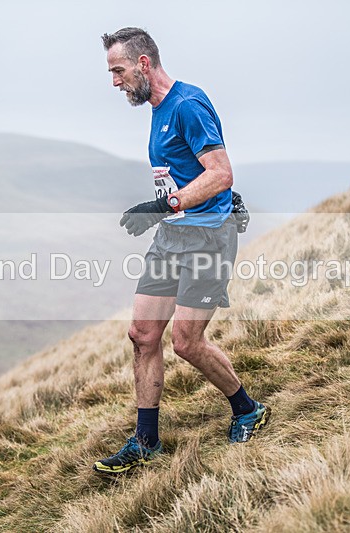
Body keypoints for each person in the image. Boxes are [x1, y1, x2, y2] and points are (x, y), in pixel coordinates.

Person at [93, 27, 269, 475]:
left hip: (208, 237)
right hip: (173, 237)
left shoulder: (187, 105)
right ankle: (146, 442)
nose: (114, 81)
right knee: (142, 335)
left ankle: (247, 408)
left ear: (144, 63)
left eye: (118, 71)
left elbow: (221, 172)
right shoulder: (156, 108)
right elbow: (190, 173)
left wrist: (163, 205)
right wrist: (168, 208)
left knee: (187, 343)